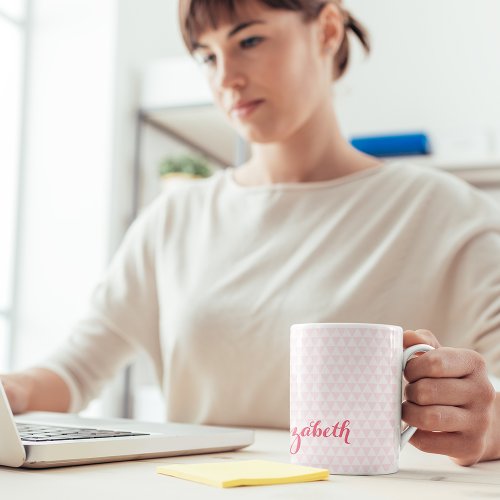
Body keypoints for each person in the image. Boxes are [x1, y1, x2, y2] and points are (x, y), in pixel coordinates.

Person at [2, 0, 500, 467]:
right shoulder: (173, 218)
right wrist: (13, 391)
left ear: (326, 30)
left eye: (249, 41)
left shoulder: (449, 214)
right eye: (207, 55)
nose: (227, 78)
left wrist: (483, 419)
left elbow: (492, 401)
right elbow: (75, 369)